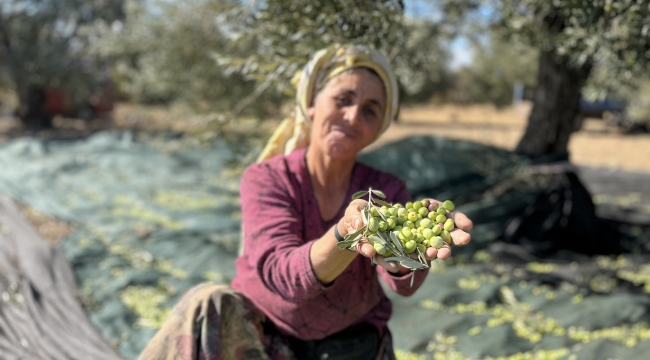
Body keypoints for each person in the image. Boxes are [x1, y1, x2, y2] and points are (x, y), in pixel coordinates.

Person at [138, 43, 472, 360]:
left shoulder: (386, 189)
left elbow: (404, 285)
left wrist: (406, 257)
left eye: (370, 110)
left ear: (379, 126)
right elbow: (281, 273)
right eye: (343, 99)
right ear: (312, 104)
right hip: (264, 340)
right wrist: (347, 235)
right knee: (205, 301)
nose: (354, 116)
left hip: (350, 347)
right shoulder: (268, 178)